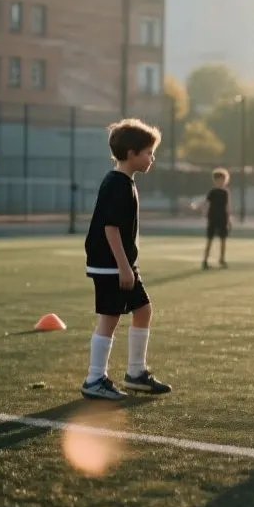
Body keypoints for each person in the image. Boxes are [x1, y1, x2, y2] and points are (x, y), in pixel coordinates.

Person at [81, 118, 172, 400]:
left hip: (122, 265)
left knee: (143, 310)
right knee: (109, 319)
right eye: (148, 153)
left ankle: (136, 373)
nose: (152, 158)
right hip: (110, 265)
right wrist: (123, 267)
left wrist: (128, 265)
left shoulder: (126, 182)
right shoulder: (116, 184)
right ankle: (94, 379)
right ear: (132, 153)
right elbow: (110, 228)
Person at [202, 167, 231, 270]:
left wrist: (228, 219)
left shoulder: (225, 192)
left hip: (222, 218)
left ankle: (222, 259)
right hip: (213, 217)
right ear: (215, 180)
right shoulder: (212, 192)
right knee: (210, 239)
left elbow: (227, 206)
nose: (221, 182)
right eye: (219, 180)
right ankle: (205, 260)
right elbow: (206, 203)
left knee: (223, 239)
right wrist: (205, 213)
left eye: (223, 180)